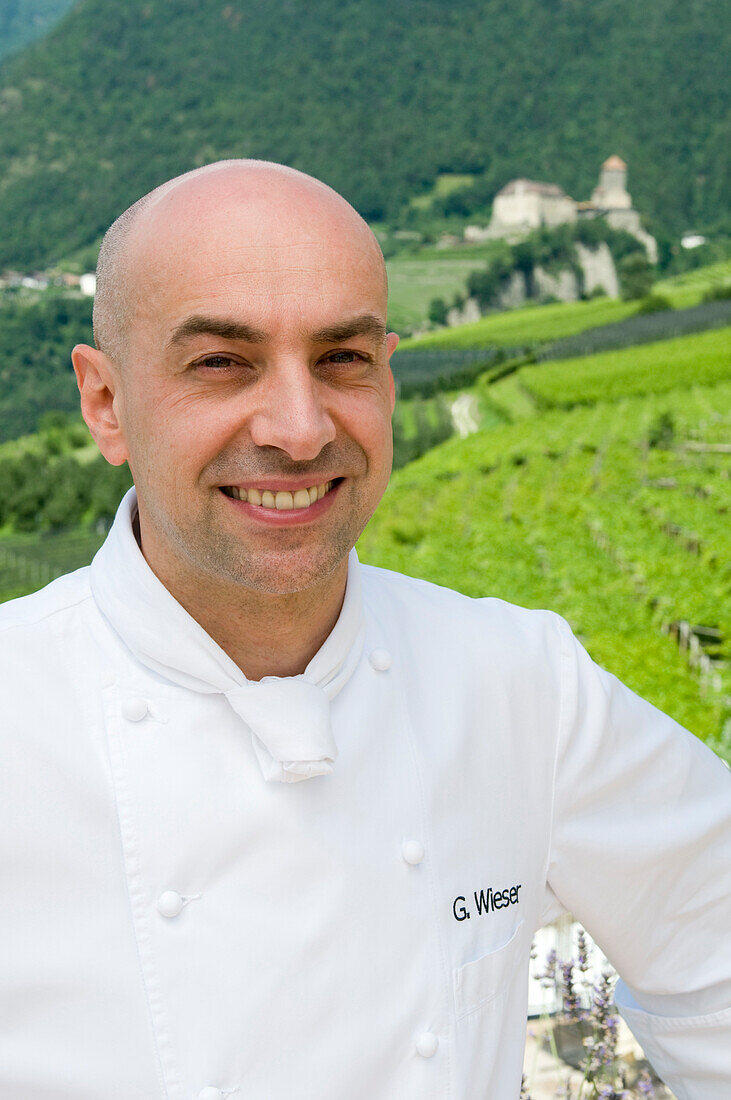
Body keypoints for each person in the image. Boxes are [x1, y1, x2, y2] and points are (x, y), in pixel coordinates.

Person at [0, 160, 728, 1100]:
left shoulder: (518, 682)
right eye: (221, 362)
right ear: (106, 404)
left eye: (342, 358)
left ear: (386, 382)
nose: (300, 429)